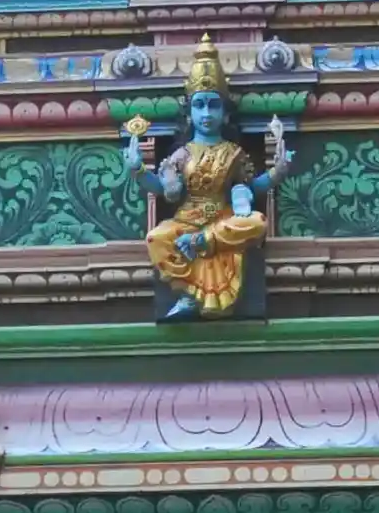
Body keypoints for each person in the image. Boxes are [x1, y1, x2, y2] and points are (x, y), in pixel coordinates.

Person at [124, 37, 291, 320]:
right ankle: (190, 295)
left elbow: (251, 188)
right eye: (199, 105)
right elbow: (164, 190)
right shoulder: (181, 155)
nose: (206, 113)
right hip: (186, 219)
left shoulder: (234, 153)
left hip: (222, 221)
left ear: (225, 114)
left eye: (213, 105)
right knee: (156, 237)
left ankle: (202, 241)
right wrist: (138, 170)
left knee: (257, 223)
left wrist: (277, 173)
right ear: (189, 113)